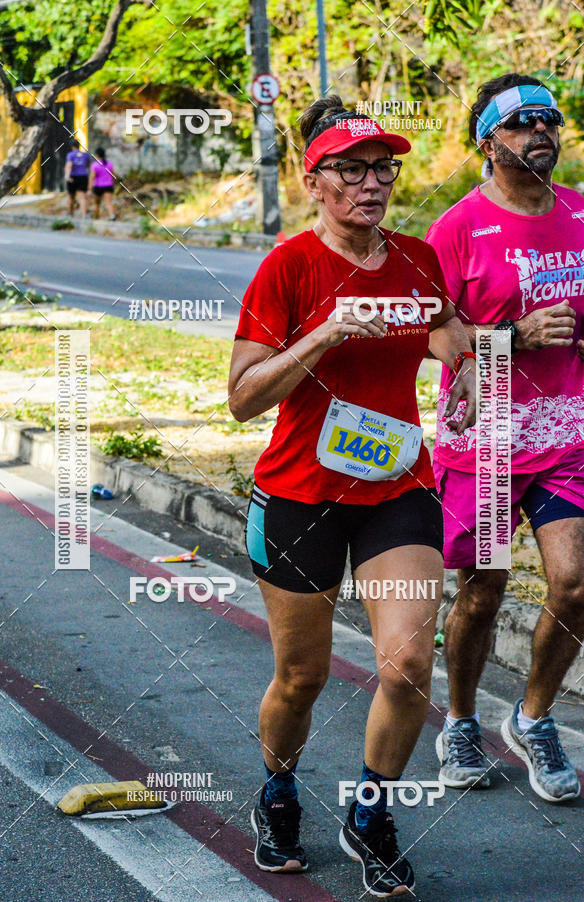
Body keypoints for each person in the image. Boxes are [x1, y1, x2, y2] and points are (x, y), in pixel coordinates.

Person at [229, 94, 477, 897]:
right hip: (300, 495)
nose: (371, 183)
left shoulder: (414, 257)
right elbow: (242, 396)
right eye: (351, 170)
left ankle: (371, 811)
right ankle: (277, 787)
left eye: (383, 169)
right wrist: (327, 332)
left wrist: (463, 365)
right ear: (316, 183)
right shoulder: (288, 268)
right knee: (301, 678)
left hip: (397, 488)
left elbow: (441, 326)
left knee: (407, 664)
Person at [426, 73, 584, 804]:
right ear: (488, 141)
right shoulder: (456, 229)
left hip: (568, 432)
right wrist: (512, 338)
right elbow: (434, 339)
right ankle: (459, 720)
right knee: (483, 590)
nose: (540, 131)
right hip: (486, 436)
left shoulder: (582, 214)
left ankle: (533, 716)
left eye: (549, 118)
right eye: (521, 123)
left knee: (576, 585)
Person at [88, 147, 116, 220]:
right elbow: (114, 175)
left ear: (97, 155)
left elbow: (92, 177)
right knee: (109, 202)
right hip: (108, 185)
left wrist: (90, 188)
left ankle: (96, 218)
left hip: (98, 186)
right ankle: (112, 216)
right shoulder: (110, 163)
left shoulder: (95, 165)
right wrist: (111, 181)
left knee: (97, 204)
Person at [65, 140, 90, 217]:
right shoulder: (86, 155)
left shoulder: (70, 155)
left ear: (72, 146)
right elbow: (88, 165)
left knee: (71, 197)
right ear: (79, 146)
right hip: (83, 176)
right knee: (82, 197)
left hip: (73, 176)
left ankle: (70, 214)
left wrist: (67, 176)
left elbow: (69, 165)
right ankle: (84, 215)